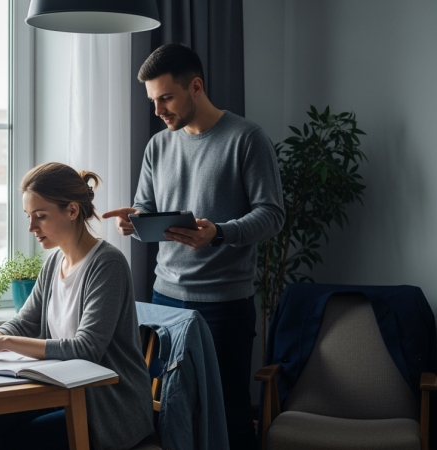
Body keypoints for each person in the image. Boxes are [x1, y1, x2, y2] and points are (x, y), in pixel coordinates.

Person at [103, 43, 285, 450]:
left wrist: (217, 232)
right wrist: (134, 222)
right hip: (163, 300)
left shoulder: (247, 138)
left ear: (196, 87)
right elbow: (149, 209)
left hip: (223, 305)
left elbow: (272, 214)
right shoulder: (158, 146)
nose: (158, 110)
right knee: (168, 410)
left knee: (229, 414)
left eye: (165, 97)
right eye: (153, 100)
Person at [0, 162, 154, 450]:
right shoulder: (55, 262)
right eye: (29, 216)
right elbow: (25, 322)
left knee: (22, 440)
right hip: (66, 393)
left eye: (40, 216)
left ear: (72, 210)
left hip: (107, 408)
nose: (31, 227)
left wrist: (5, 342)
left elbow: (86, 348)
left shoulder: (107, 264)